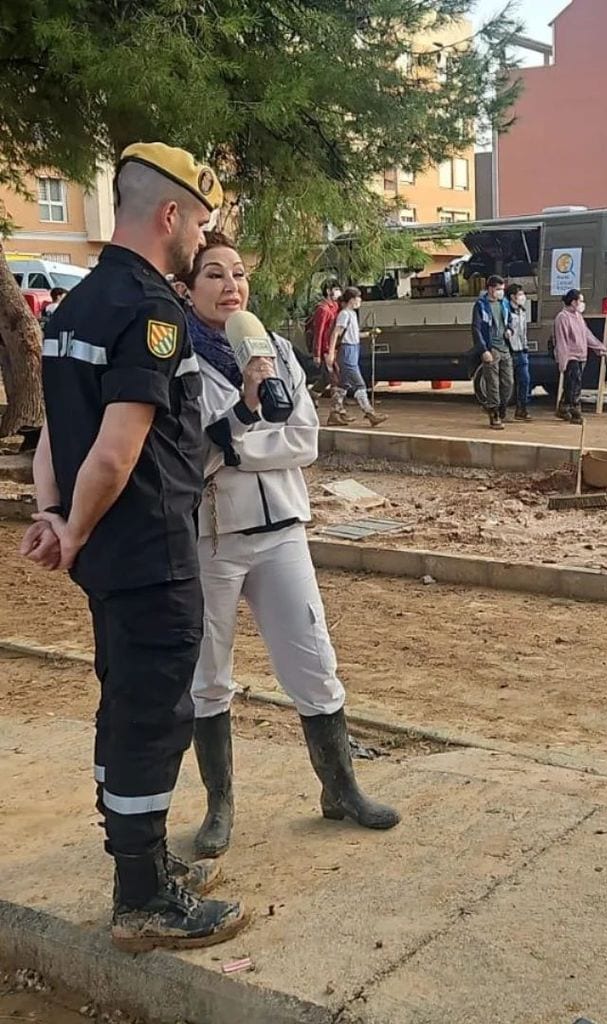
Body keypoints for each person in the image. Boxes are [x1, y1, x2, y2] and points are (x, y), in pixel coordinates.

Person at [21, 142, 248, 951]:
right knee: (153, 717)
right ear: (169, 215)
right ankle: (142, 899)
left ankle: (141, 862)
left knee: (125, 706)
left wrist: (53, 516)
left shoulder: (76, 308)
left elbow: (55, 433)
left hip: (108, 561)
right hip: (151, 550)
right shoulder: (152, 311)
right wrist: (73, 524)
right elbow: (114, 450)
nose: (201, 240)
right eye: (199, 223)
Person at [175, 233, 400, 860]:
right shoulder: (175, 361)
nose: (230, 286)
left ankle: (340, 787)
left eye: (238, 274)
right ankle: (219, 806)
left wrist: (237, 446)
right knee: (208, 675)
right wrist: (234, 438)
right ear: (189, 290)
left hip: (282, 536)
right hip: (212, 539)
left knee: (313, 658)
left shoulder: (273, 351)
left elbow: (305, 440)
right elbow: (186, 454)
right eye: (213, 275)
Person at [326, 286, 387, 427]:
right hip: (347, 352)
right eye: (358, 298)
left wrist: (368, 334)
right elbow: (336, 333)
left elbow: (353, 335)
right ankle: (369, 412)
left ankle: (335, 414)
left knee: (344, 384)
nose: (360, 301)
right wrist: (330, 353)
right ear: (352, 300)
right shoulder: (345, 314)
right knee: (359, 384)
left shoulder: (352, 314)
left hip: (353, 349)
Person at [553, 289, 607, 424]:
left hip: (581, 355)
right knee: (575, 384)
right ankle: (575, 411)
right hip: (571, 356)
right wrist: (563, 360)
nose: (583, 304)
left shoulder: (578, 316)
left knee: (571, 384)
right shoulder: (562, 317)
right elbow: (562, 341)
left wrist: (599, 348)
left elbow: (587, 334)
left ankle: (563, 407)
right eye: (581, 301)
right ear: (573, 302)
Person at [472, 275, 514, 429]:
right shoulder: (481, 305)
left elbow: (509, 320)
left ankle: (501, 408)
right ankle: (494, 412)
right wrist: (483, 349)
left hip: (505, 348)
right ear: (490, 289)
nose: (500, 292)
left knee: (508, 382)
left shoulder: (504, 303)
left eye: (502, 290)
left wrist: (510, 330)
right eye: (498, 289)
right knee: (493, 383)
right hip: (491, 349)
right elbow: (476, 329)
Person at [505, 282, 532, 421]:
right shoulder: (505, 311)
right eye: (520, 294)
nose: (523, 297)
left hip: (521, 350)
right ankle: (500, 410)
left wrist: (525, 346)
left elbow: (523, 332)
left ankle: (522, 408)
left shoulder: (522, 311)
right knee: (507, 383)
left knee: (525, 380)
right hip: (509, 351)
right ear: (512, 297)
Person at [307, 278, 340, 368]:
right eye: (336, 289)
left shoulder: (335, 306)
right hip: (326, 350)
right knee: (332, 378)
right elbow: (319, 332)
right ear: (328, 291)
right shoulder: (323, 309)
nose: (338, 292)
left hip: (334, 348)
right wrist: (317, 354)